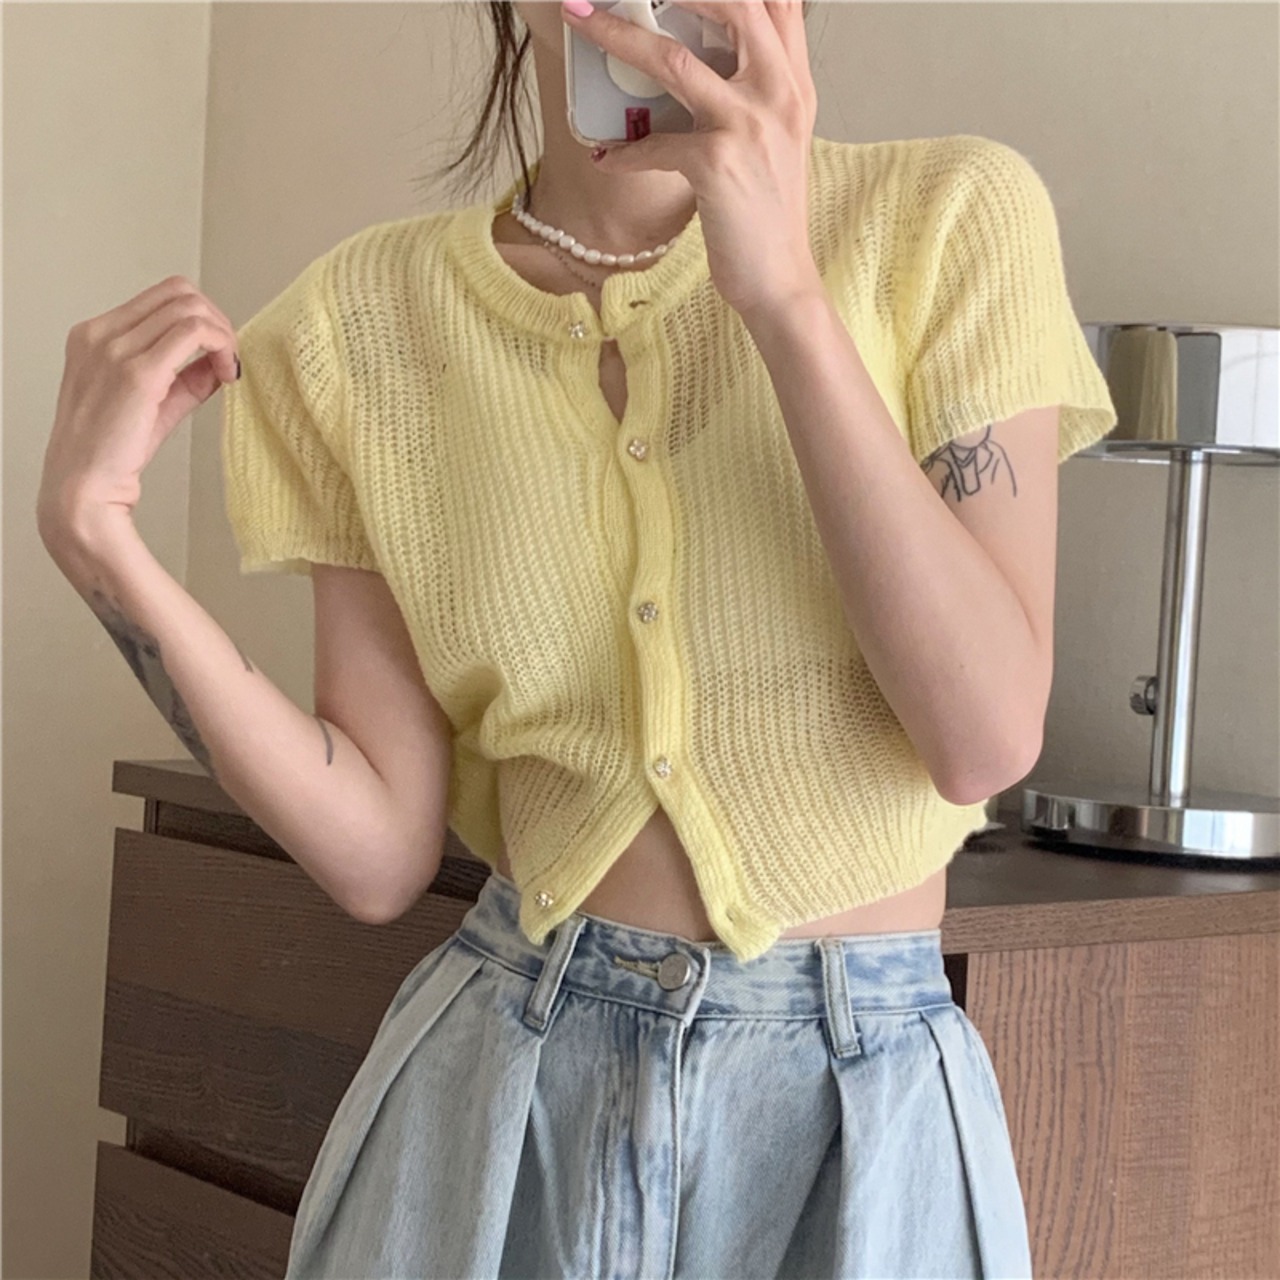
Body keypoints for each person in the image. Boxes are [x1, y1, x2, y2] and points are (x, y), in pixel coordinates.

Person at [39, 1, 1119, 1276]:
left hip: (855, 1109)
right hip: (506, 1092)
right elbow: (379, 851)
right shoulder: (354, 327)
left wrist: (780, 292)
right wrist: (98, 541)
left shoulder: (947, 217)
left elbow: (980, 734)